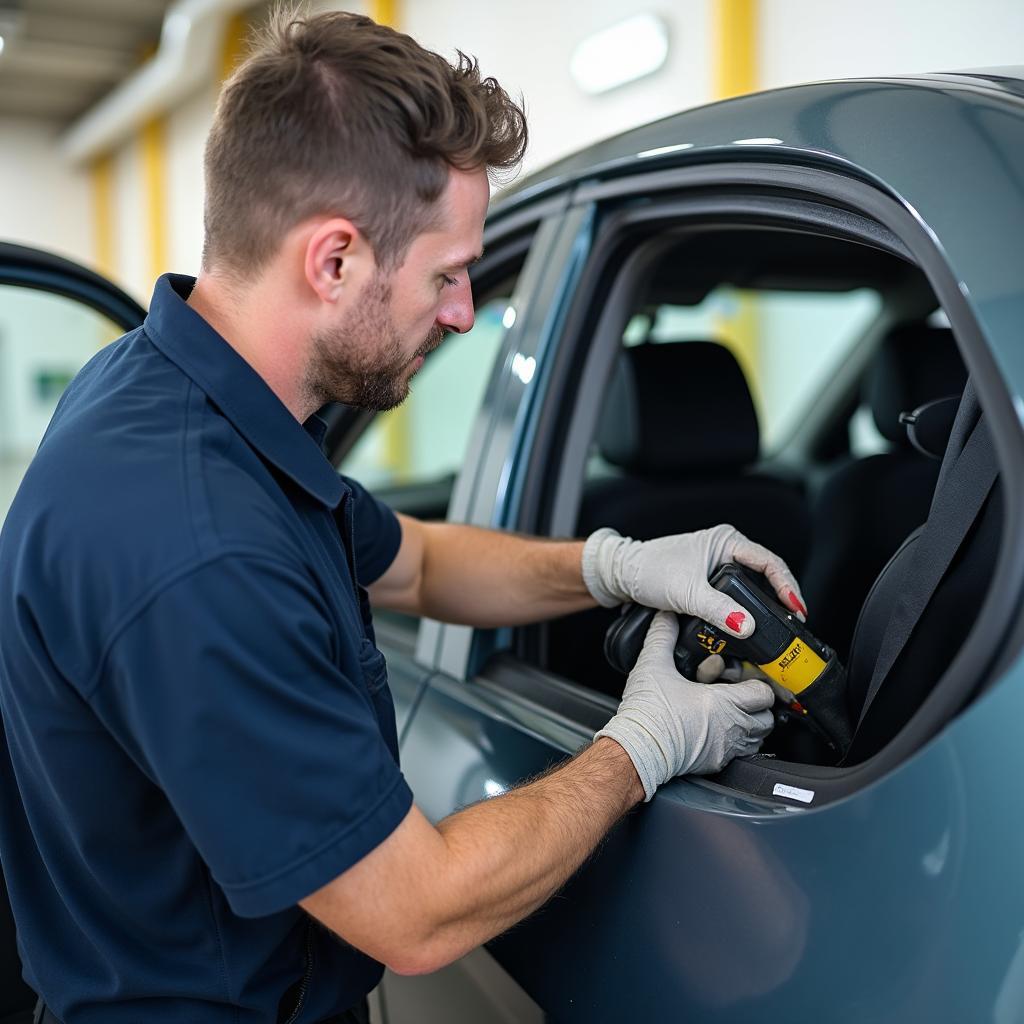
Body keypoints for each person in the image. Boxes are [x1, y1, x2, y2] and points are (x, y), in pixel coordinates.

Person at [0, 9, 807, 1023]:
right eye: (448, 273)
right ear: (332, 260)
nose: (467, 309)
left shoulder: (173, 394)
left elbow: (415, 563)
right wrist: (641, 744)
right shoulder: (197, 548)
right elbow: (414, 913)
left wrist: (619, 563)